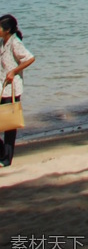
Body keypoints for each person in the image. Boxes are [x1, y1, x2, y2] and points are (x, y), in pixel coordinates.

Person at [0, 15, 33, 168]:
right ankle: (2, 153)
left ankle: (6, 159)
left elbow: (29, 58)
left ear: (7, 30)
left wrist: (14, 71)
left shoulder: (15, 42)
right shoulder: (2, 42)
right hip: (1, 87)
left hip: (12, 89)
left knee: (9, 125)